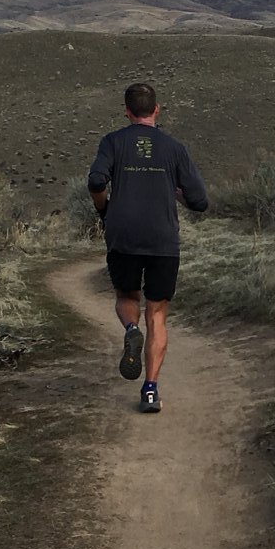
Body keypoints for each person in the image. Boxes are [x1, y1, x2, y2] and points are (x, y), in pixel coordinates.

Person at [87, 82, 209, 414]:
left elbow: (96, 181)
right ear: (156, 109)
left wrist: (104, 210)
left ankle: (130, 329)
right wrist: (174, 190)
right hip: (162, 239)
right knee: (157, 314)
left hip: (123, 235)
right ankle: (151, 390)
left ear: (127, 111)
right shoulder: (174, 148)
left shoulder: (112, 142)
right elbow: (199, 201)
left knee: (127, 298)